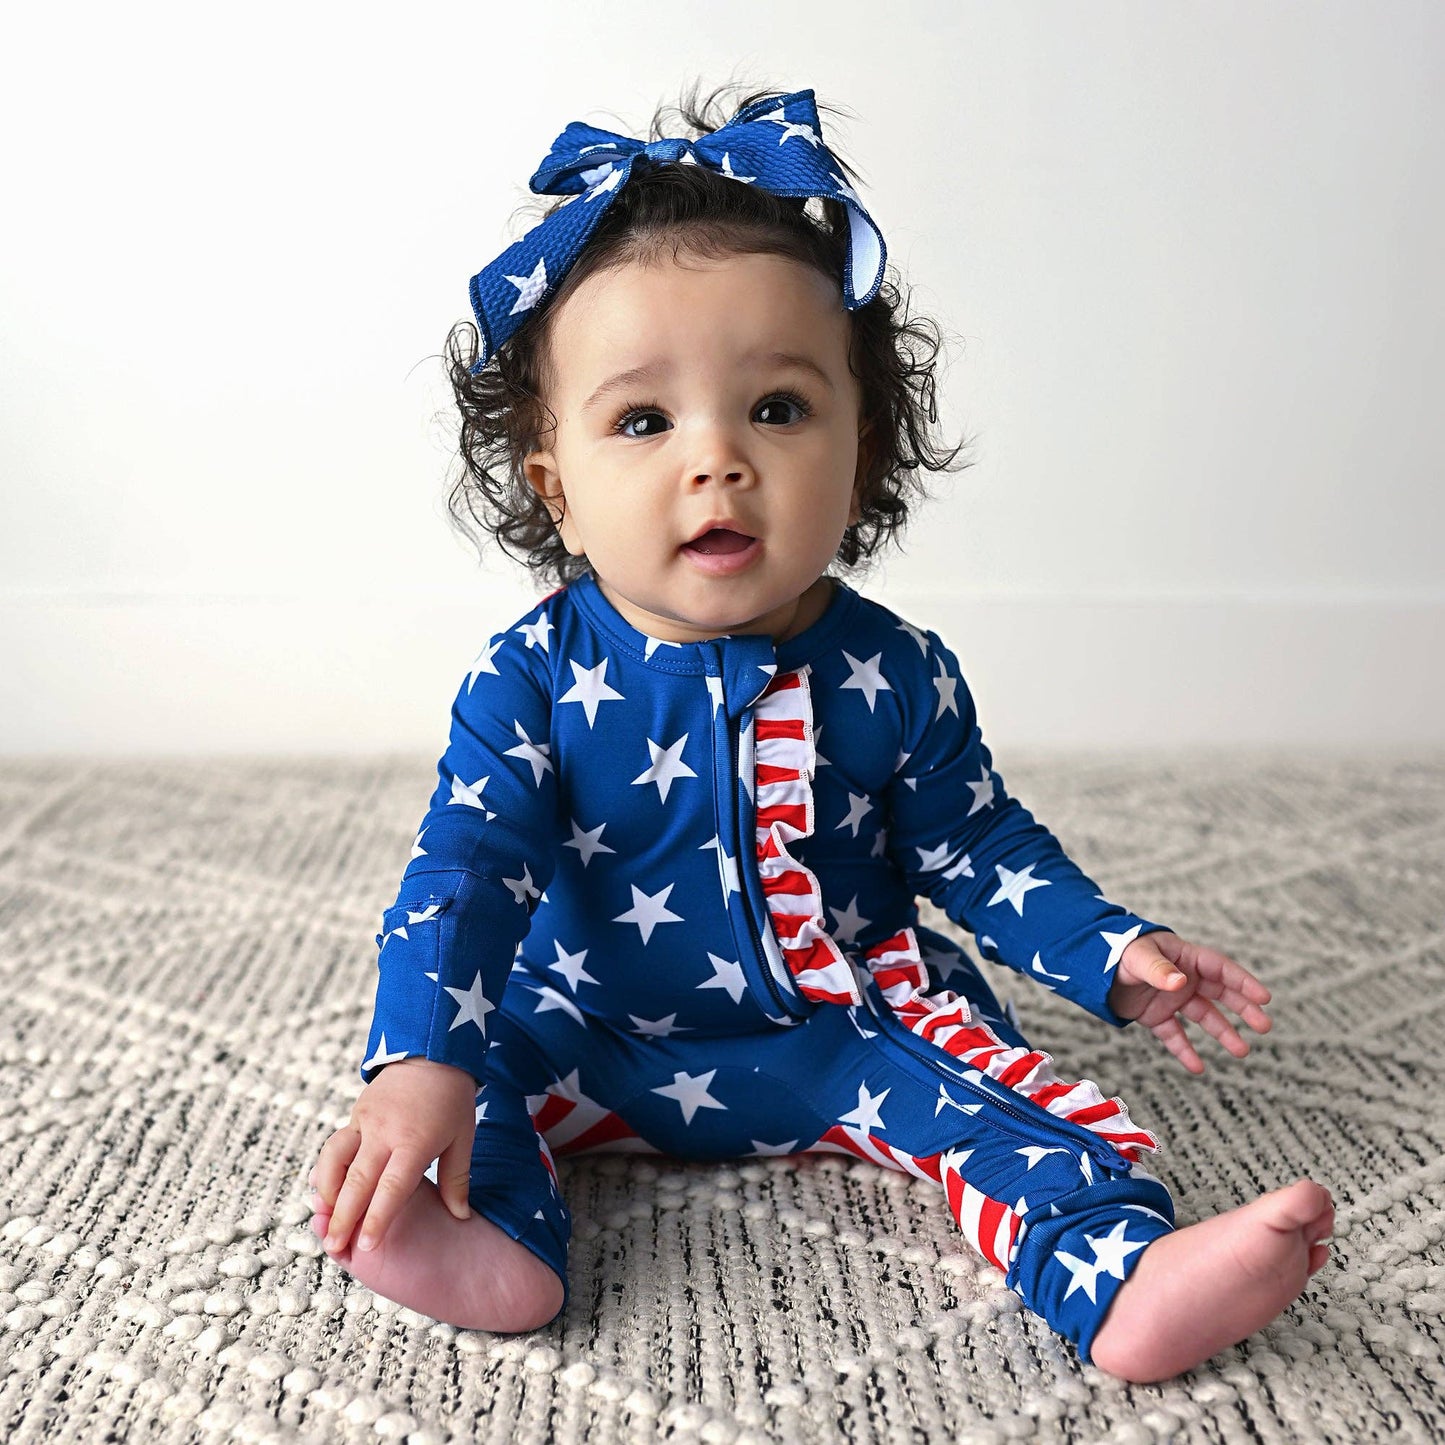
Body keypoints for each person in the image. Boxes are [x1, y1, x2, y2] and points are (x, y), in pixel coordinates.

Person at [308, 81, 1334, 1382]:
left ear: (860, 454)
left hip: (842, 1028)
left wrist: (1111, 951)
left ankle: (1117, 1269)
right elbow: (468, 866)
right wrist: (420, 1057)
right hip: (590, 1027)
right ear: (556, 492)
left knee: (1002, 1097)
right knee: (469, 1078)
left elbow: (975, 848)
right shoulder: (528, 677)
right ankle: (483, 1233)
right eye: (642, 419)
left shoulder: (893, 671)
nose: (716, 460)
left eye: (777, 409)